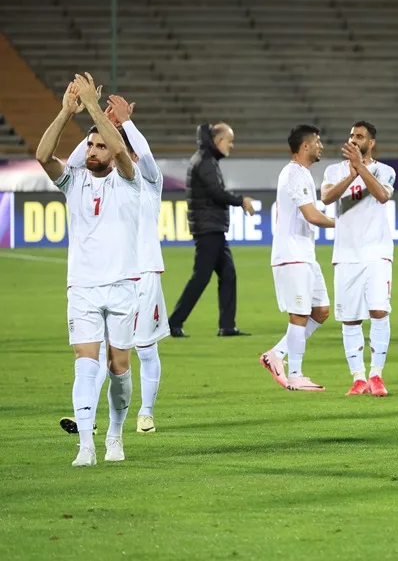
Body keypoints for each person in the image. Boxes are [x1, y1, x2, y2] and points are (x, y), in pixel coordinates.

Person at [37, 74, 141, 466]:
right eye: (90, 145)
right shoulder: (73, 181)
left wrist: (96, 109)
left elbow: (122, 150)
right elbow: (43, 156)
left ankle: (115, 435)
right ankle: (85, 446)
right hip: (82, 287)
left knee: (118, 367)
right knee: (85, 364)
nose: (94, 150)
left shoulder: (129, 181)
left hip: (122, 286)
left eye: (100, 145)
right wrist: (67, 111)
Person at [60, 94, 168, 434]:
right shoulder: (106, 184)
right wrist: (100, 124)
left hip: (145, 274)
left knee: (145, 349)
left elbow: (144, 155)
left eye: (125, 150)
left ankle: (146, 413)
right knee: (99, 353)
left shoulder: (149, 183)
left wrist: (127, 124)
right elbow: (76, 165)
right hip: (111, 276)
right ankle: (88, 418)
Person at [318, 121, 397, 396]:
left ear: (371, 143)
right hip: (346, 254)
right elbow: (326, 198)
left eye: (360, 136)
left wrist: (361, 168)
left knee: (379, 311)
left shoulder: (385, 171)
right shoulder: (334, 171)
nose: (354, 139)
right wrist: (351, 174)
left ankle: (376, 375)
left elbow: (382, 195)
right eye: (351, 135)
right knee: (350, 318)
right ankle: (358, 378)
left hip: (377, 253)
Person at [259, 125, 335, 391]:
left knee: (321, 311)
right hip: (292, 255)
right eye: (317, 142)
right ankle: (295, 374)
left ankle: (276, 354)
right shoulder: (292, 173)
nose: (320, 146)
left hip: (305, 255)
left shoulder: (303, 174)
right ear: (305, 146)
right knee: (300, 314)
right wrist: (342, 224)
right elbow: (312, 216)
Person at [168, 123, 257, 338]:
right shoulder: (205, 161)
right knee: (201, 277)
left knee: (228, 274)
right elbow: (217, 192)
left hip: (211, 226)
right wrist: (241, 200)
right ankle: (173, 323)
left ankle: (227, 326)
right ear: (218, 141)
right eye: (229, 141)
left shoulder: (205, 159)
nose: (231, 146)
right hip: (208, 228)